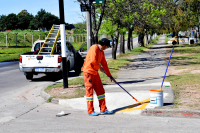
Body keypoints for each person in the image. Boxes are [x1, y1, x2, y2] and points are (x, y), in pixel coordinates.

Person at [82, 38, 116, 116]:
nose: (107, 48)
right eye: (107, 46)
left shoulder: (102, 52)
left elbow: (104, 64)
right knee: (90, 92)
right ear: (104, 45)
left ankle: (103, 109)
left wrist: (109, 75)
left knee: (101, 91)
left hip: (95, 73)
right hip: (88, 72)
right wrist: (100, 68)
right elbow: (93, 61)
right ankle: (90, 110)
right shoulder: (94, 47)